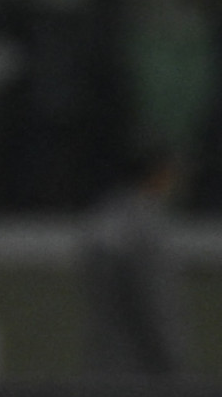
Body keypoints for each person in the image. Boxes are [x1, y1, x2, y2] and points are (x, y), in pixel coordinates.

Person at [79, 145, 192, 381]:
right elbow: (157, 309)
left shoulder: (103, 219)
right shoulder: (146, 229)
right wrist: (177, 372)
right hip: (143, 379)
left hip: (104, 368)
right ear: (160, 175)